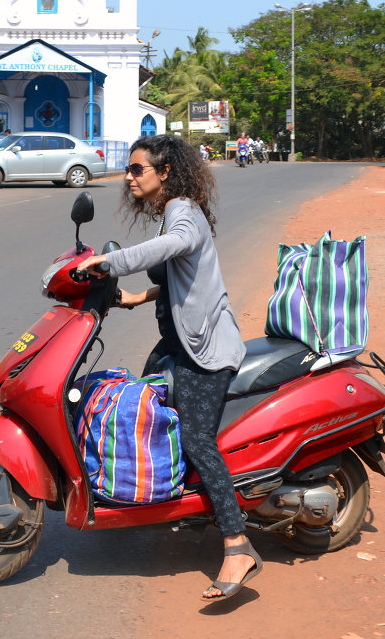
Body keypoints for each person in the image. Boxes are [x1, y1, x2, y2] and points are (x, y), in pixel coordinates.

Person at [75, 134, 263, 602]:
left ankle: (238, 545)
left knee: (198, 437)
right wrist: (138, 297)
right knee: (146, 399)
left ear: (166, 173)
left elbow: (172, 248)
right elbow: (185, 273)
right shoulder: (174, 210)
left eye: (137, 169)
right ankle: (166, 497)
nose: (129, 176)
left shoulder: (183, 213)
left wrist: (108, 262)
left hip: (207, 351)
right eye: (130, 169)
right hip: (178, 343)